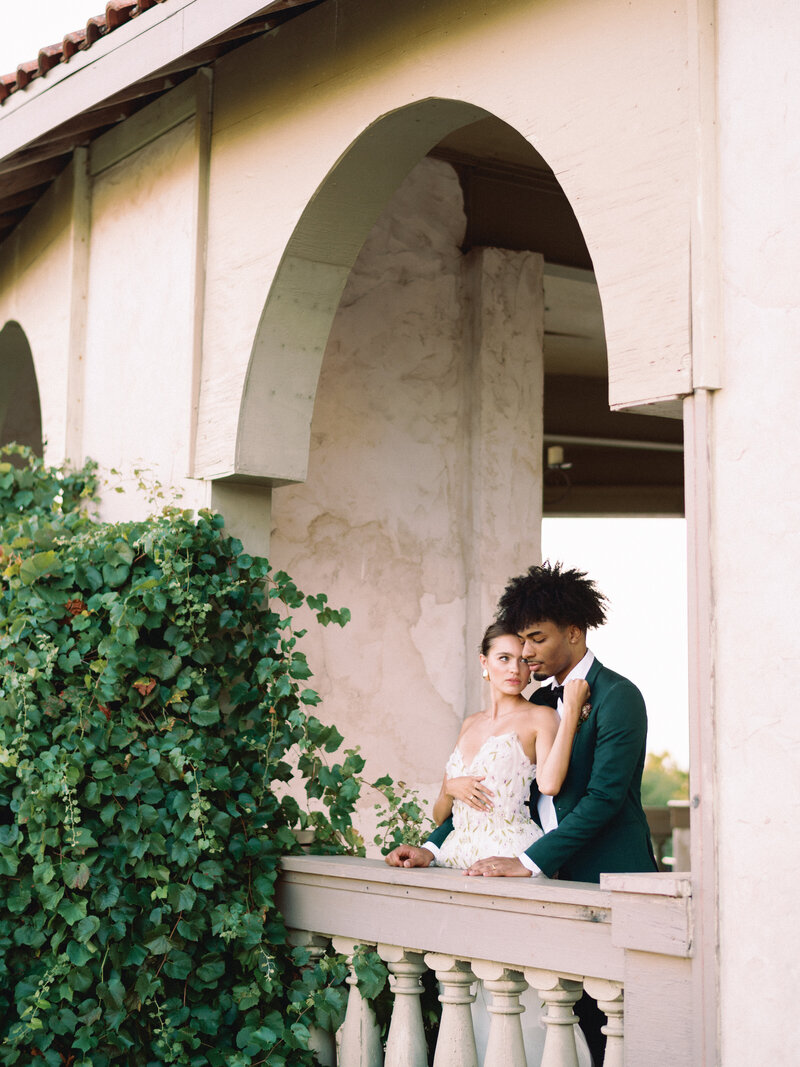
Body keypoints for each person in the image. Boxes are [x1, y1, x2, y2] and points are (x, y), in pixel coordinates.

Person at [386, 562, 658, 1064]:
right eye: (518, 644)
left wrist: (529, 861)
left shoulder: (620, 697)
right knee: (550, 1025)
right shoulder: (534, 703)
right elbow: (499, 799)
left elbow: (603, 799)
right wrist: (430, 844)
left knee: (611, 1030)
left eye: (535, 639)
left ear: (574, 633)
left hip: (603, 878)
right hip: (543, 884)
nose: (526, 653)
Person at [418, 619, 589, 1064]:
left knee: (516, 988)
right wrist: (449, 787)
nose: (515, 668)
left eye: (522, 659)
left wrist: (569, 712)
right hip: (458, 866)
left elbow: (550, 783)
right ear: (485, 663)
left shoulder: (540, 716)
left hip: (508, 859)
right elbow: (441, 813)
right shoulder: (469, 724)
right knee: (466, 991)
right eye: (503, 658)